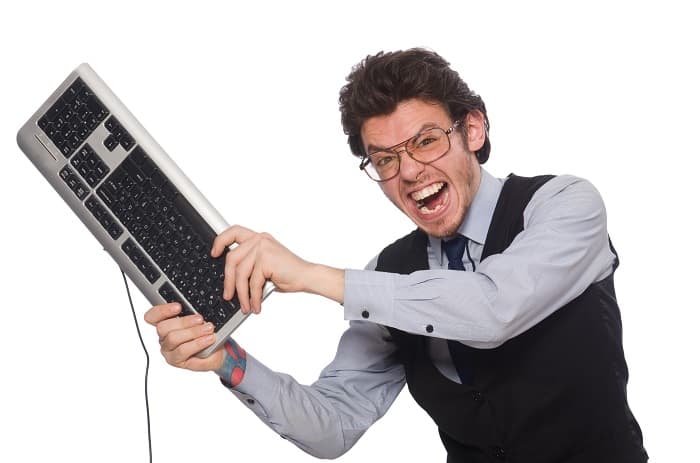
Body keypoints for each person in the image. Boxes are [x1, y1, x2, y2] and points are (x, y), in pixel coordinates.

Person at [145, 48, 648, 462]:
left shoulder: (563, 205)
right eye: (385, 159)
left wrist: (311, 276)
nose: (409, 173)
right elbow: (334, 425)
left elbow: (495, 308)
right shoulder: (390, 276)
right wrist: (224, 358)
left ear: (473, 130)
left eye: (426, 141)